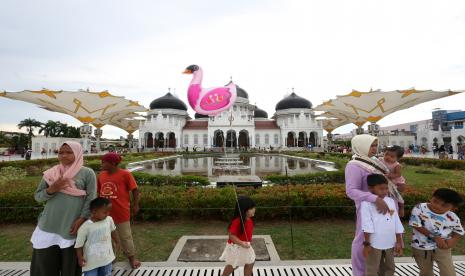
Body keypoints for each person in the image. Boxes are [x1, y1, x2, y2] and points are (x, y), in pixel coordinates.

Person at [30, 141, 97, 276]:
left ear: (77, 153)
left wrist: (82, 219)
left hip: (71, 227)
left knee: (70, 268)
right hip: (48, 225)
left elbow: (91, 198)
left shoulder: (87, 173)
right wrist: (52, 189)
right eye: (61, 152)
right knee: (44, 266)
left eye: (69, 152)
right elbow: (38, 197)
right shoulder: (52, 173)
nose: (64, 155)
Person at [345, 134, 395, 276]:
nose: (374, 148)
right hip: (367, 208)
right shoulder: (354, 165)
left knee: (383, 239)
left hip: (385, 206)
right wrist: (374, 198)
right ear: (361, 146)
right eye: (371, 145)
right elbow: (351, 191)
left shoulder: (374, 162)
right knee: (363, 240)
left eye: (375, 145)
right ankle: (360, 273)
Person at [97, 152, 141, 269]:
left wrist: (135, 205)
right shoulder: (101, 175)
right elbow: (98, 191)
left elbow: (135, 190)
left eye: (103, 162)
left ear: (112, 163)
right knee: (106, 237)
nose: (101, 164)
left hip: (121, 212)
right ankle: (110, 259)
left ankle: (132, 258)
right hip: (104, 214)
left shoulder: (125, 174)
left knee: (125, 237)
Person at [409, 188, 464, 276]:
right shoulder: (420, 208)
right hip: (421, 246)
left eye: (444, 205)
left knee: (448, 272)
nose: (438, 206)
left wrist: (453, 241)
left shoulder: (453, 217)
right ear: (431, 197)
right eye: (435, 201)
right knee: (426, 272)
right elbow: (415, 225)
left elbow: (459, 231)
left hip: (443, 247)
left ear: (453, 208)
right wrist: (435, 237)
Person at [361, 174, 404, 276]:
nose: (385, 191)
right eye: (381, 189)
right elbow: (367, 225)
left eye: (386, 188)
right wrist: (367, 244)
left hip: (390, 241)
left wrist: (398, 242)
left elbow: (395, 221)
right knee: (372, 268)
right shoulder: (366, 204)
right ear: (370, 188)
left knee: (390, 267)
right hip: (374, 242)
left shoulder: (390, 202)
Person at [75, 197, 120, 276]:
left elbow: (113, 231)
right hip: (91, 262)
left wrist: (117, 242)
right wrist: (79, 257)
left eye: (109, 211)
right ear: (94, 211)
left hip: (106, 259)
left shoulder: (109, 220)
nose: (108, 214)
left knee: (106, 274)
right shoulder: (85, 227)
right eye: (105, 212)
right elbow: (79, 244)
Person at [220, 196, 256, 276]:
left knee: (250, 262)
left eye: (254, 207)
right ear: (244, 210)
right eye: (251, 208)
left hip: (245, 246)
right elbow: (231, 236)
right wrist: (242, 243)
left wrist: (245, 243)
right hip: (237, 247)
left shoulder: (249, 220)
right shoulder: (237, 221)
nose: (254, 209)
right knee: (233, 265)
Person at [379, 145, 406, 217]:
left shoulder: (396, 165)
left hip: (396, 180)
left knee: (397, 195)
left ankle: (401, 207)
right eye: (386, 154)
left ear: (398, 158)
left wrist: (390, 175)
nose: (388, 157)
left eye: (392, 156)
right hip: (386, 180)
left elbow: (398, 174)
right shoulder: (380, 160)